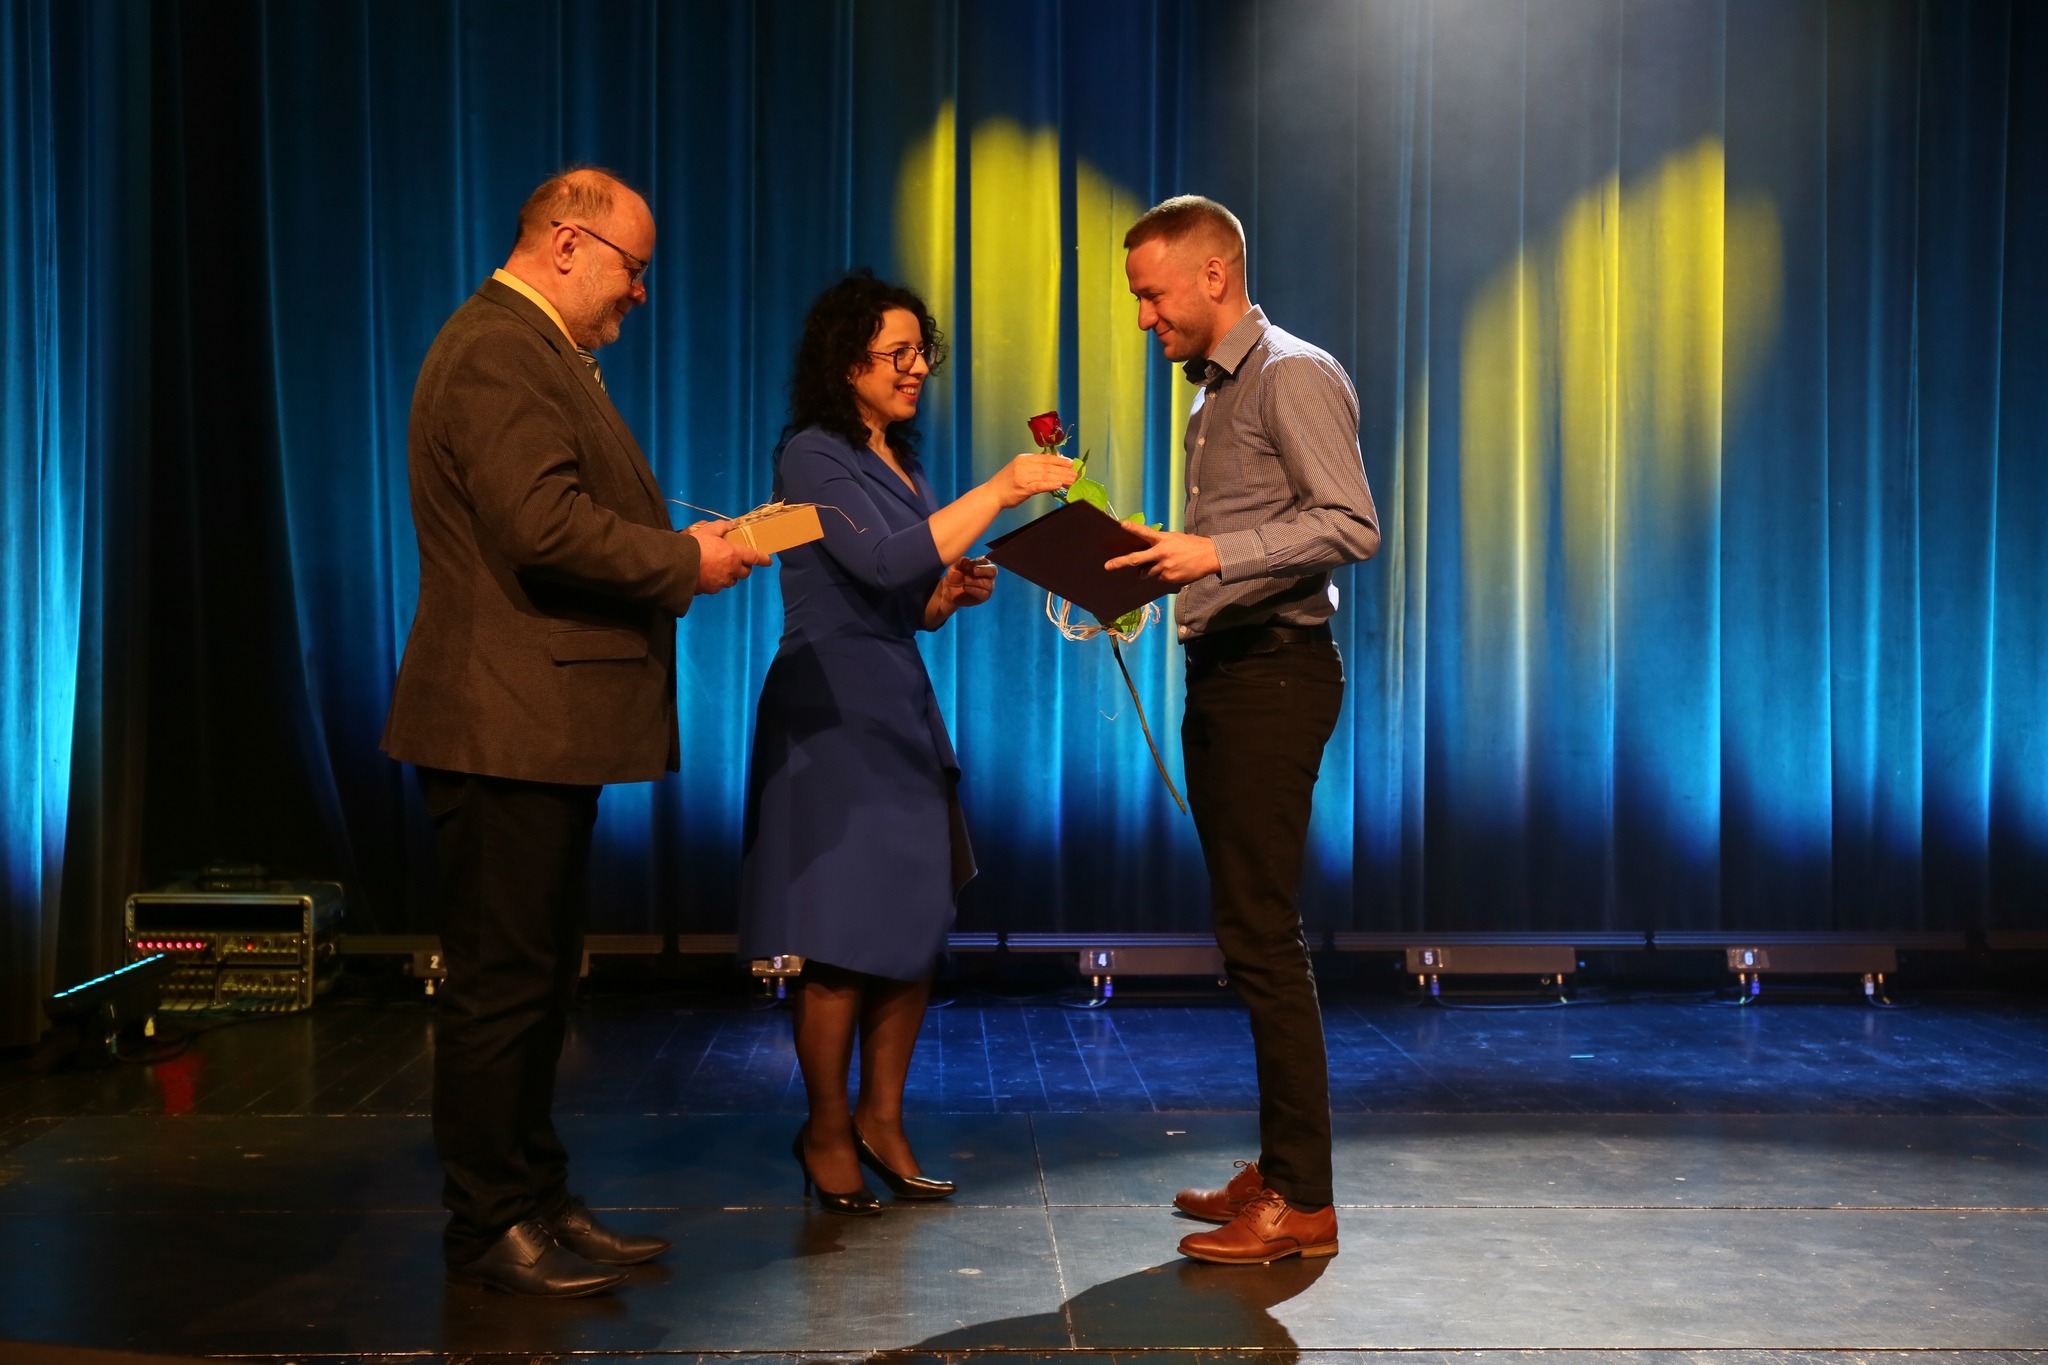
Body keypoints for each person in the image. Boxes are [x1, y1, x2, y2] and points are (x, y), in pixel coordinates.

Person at [382, 167, 769, 1296]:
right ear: (565, 243)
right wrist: (685, 559)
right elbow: (541, 524)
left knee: (539, 979)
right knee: (502, 985)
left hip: (531, 722)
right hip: (500, 721)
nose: (639, 292)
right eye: (631, 268)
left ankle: (534, 1195)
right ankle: (487, 1222)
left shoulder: (532, 347)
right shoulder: (499, 349)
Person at [737, 273, 1074, 1214]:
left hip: (898, 709)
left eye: (922, 352)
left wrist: (948, 595)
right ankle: (825, 1129)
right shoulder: (813, 454)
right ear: (848, 363)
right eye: (898, 353)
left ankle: (882, 1118)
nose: (917, 367)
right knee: (840, 937)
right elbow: (882, 559)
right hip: (831, 714)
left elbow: (907, 596)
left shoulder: (902, 466)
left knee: (911, 924)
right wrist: (1000, 488)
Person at [1107, 196, 1380, 1264]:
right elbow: (1243, 535)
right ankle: (1277, 1167)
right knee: (1246, 930)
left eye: (1152, 295)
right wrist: (1159, 554)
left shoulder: (1289, 373)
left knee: (1264, 934)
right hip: (1225, 669)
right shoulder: (1211, 396)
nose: (1144, 318)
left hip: (1275, 672)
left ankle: (1303, 1200)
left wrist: (1211, 555)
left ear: (1213, 275)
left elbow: (1350, 522)